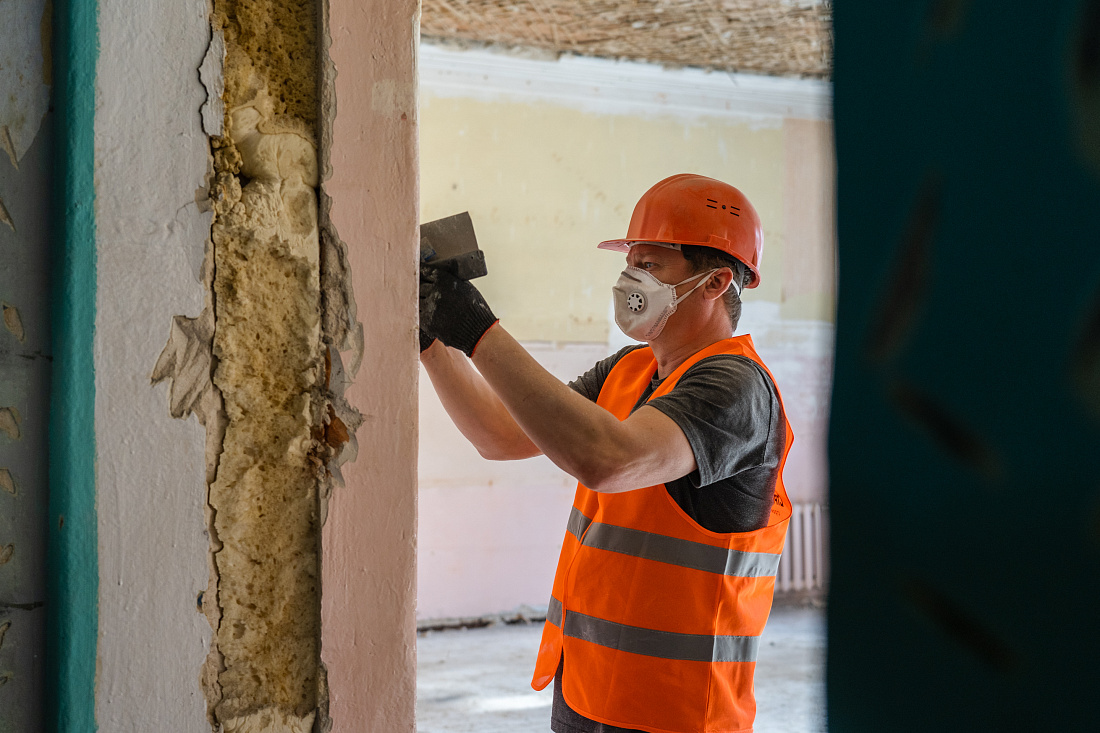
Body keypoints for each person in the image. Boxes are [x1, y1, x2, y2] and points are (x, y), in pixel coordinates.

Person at [419, 173, 794, 733]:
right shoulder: (628, 369)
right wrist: (432, 340)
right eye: (631, 262)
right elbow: (498, 435)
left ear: (716, 282)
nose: (631, 278)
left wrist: (477, 329)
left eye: (652, 264)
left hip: (676, 712)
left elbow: (609, 460)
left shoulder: (736, 387)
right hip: (587, 692)